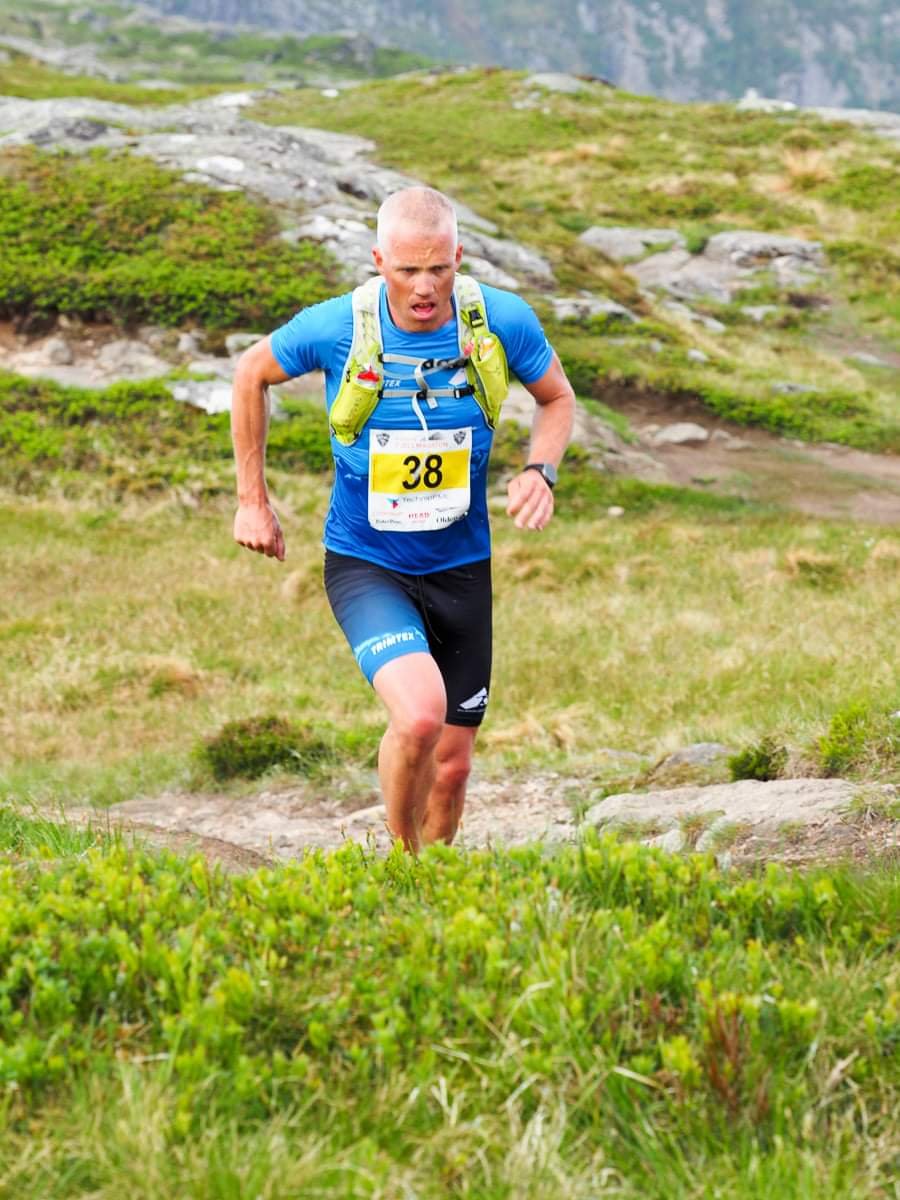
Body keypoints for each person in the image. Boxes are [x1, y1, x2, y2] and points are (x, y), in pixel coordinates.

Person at [231, 186, 574, 853]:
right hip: (368, 562)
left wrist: (541, 470)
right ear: (378, 260)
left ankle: (433, 878)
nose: (424, 287)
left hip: (462, 566)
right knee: (419, 718)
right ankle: (400, 862)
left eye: (439, 269)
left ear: (459, 258)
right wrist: (252, 500)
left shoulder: (500, 319)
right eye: (408, 270)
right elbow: (251, 372)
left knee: (453, 765)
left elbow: (556, 397)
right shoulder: (339, 326)